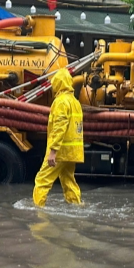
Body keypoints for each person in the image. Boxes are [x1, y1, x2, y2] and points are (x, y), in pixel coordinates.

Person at [33, 69, 84, 207]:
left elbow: (60, 127)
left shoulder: (61, 102)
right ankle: (76, 206)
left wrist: (53, 151)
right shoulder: (75, 102)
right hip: (72, 151)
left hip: (60, 150)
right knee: (68, 180)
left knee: (42, 180)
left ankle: (38, 209)